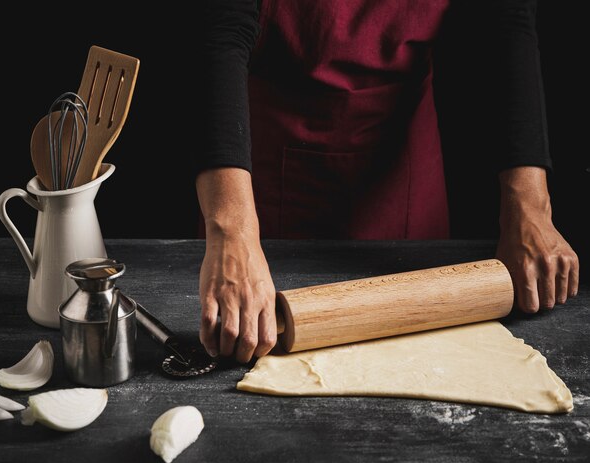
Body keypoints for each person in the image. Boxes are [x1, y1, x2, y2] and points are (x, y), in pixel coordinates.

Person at [193, 0, 579, 363]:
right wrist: (232, 231)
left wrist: (531, 207)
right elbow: (222, 29)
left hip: (402, 169)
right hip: (268, 174)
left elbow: (506, 19)